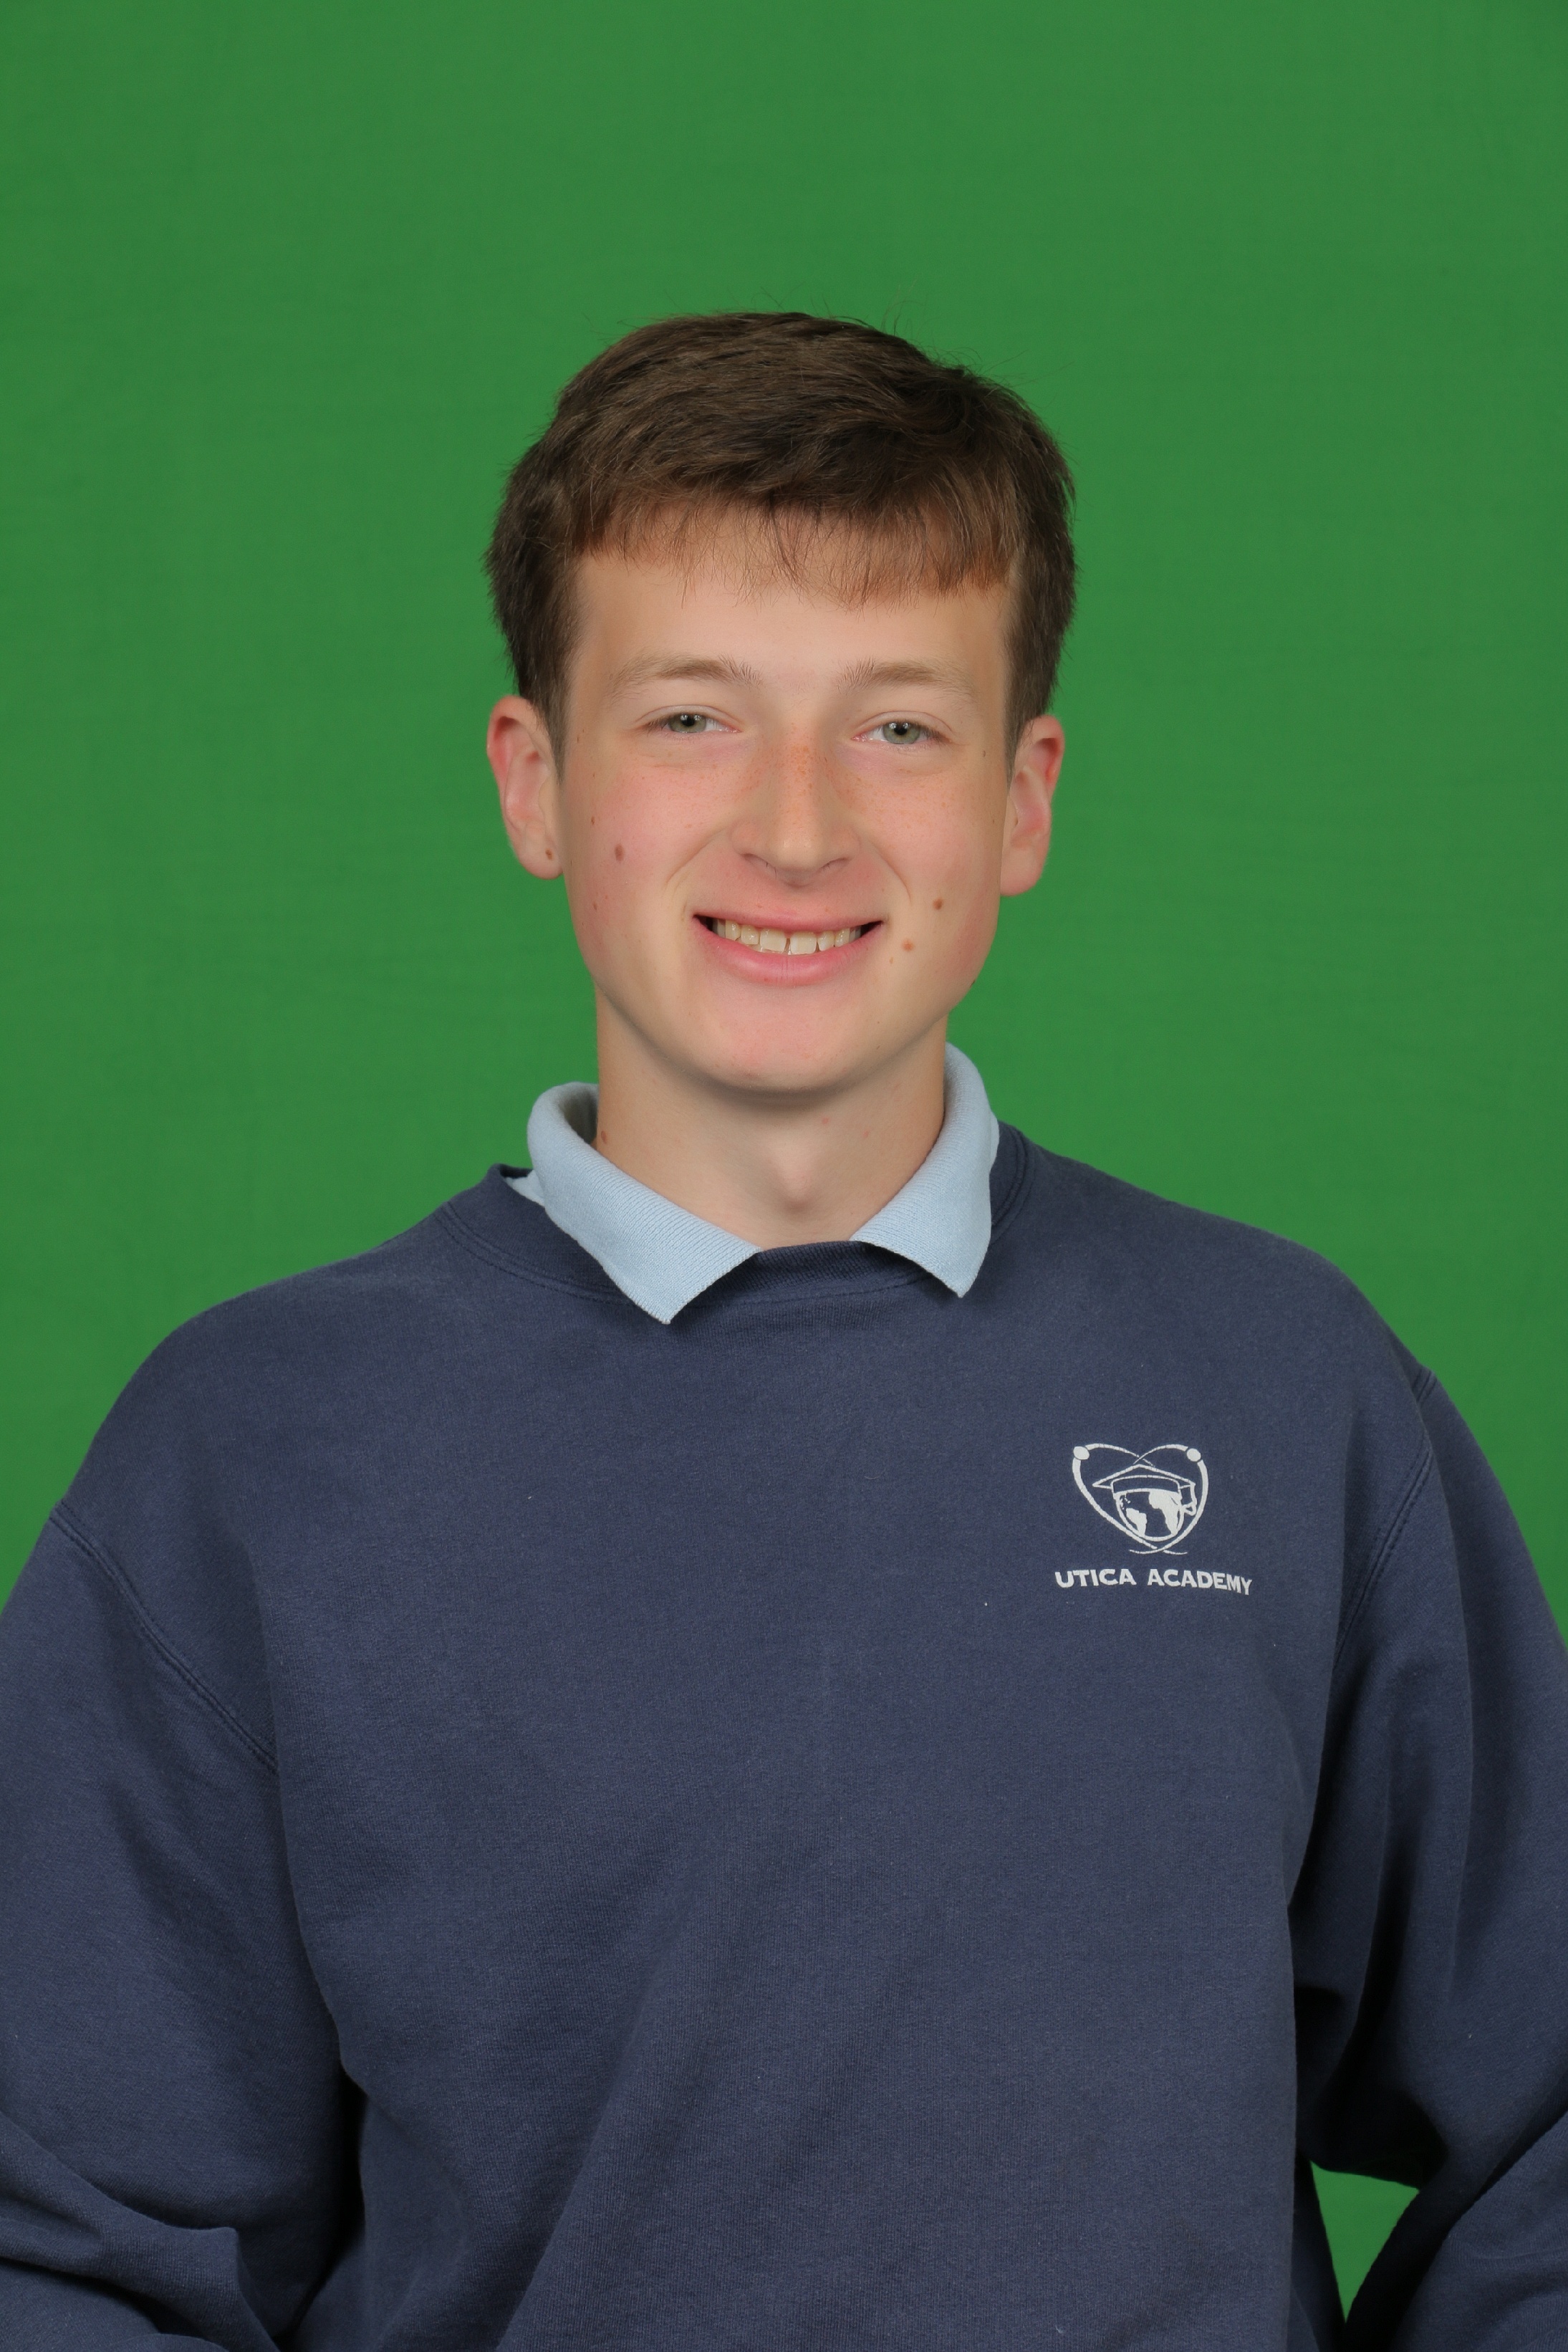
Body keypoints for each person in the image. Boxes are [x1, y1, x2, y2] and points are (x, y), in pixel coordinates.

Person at [0, 312, 1563, 2352]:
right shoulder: (255, 1456)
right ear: (535, 780)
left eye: (899, 726)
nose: (799, 827)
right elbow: (65, 2249)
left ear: (1023, 800)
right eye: (692, 719)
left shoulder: (1287, 1391)